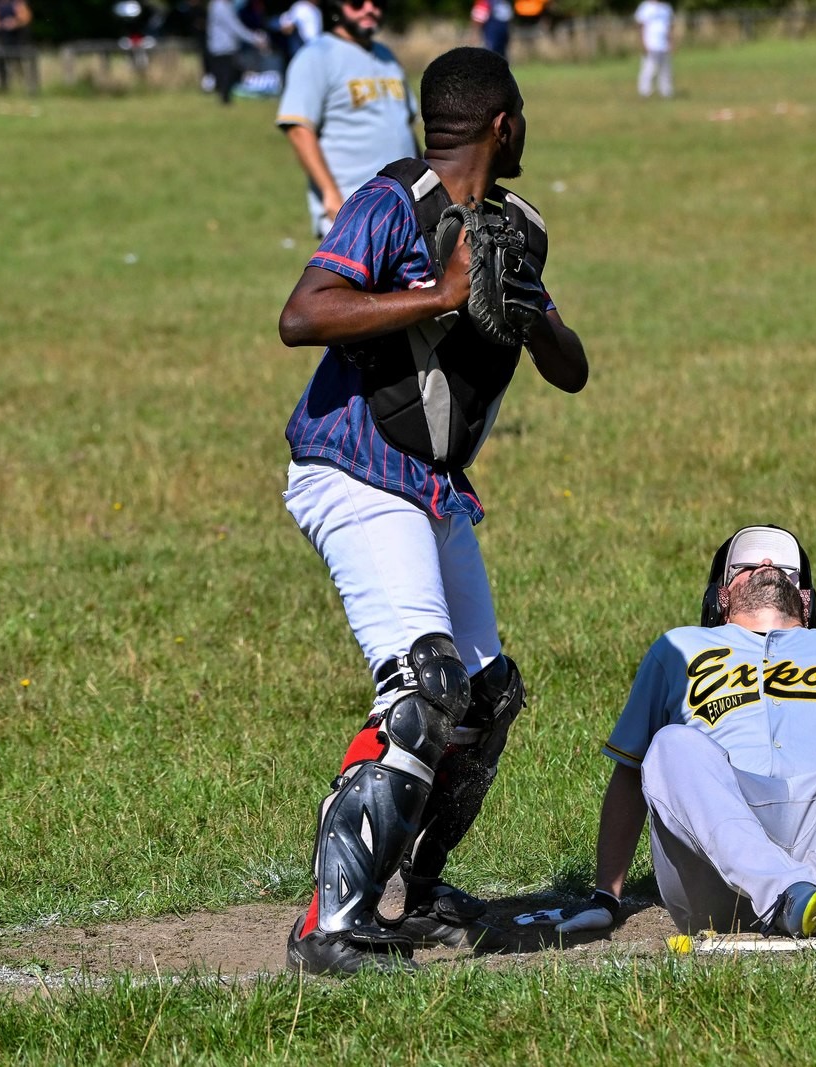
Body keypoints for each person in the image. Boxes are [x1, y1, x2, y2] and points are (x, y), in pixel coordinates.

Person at [277, 45, 590, 975]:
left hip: (431, 487)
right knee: (424, 685)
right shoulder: (392, 202)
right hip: (354, 468)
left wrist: (529, 314)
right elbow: (303, 312)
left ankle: (415, 889)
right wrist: (437, 295)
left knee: (484, 698)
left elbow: (571, 370)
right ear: (504, 124)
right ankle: (331, 922)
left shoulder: (511, 230)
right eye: (523, 113)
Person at [518, 525, 816, 942]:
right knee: (670, 744)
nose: (765, 565)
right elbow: (630, 775)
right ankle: (789, 892)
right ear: (723, 596)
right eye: (745, 565)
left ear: (804, 598)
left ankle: (815, 892)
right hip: (717, 863)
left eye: (782, 565)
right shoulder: (677, 647)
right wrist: (606, 897)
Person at [276, 0, 418, 239]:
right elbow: (299, 128)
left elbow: (406, 126)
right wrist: (330, 195)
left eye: (378, 3)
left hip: (406, 208)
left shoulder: (387, 57)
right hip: (352, 211)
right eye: (358, 2)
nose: (370, 9)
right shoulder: (315, 56)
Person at [204, 0, 268, 103]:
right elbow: (235, 27)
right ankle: (225, 102)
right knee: (226, 78)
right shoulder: (220, 7)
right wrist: (254, 39)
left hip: (222, 47)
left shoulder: (221, 5)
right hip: (223, 48)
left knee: (226, 78)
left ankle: (225, 102)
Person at [0, 0, 32, 91]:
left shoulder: (18, 3)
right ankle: (3, 85)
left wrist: (14, 23)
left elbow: (25, 18)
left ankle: (22, 83)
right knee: (0, 61)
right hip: (1, 41)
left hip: (17, 40)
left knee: (18, 62)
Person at [633, 0, 674, 100]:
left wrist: (671, 42)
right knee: (648, 70)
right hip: (650, 44)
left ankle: (666, 92)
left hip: (663, 45)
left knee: (665, 71)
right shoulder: (645, 6)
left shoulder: (666, 8)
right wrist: (643, 42)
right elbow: (640, 25)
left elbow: (669, 27)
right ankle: (644, 92)